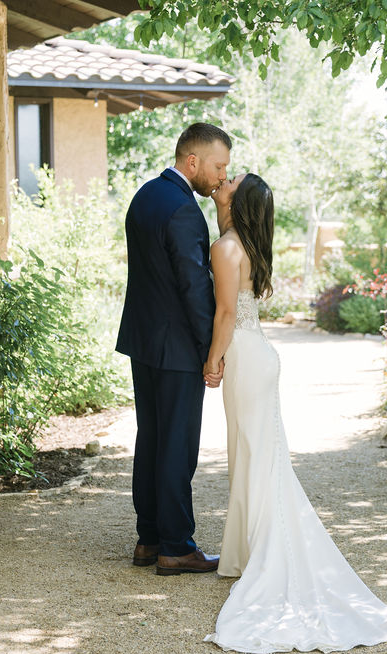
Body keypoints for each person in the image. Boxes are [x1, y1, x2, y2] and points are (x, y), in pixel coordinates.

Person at [202, 173, 387, 653]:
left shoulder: (225, 248)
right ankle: (245, 551)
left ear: (237, 203)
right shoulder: (248, 245)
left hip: (242, 356)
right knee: (257, 453)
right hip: (259, 355)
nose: (223, 178)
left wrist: (213, 359)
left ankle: (257, 554)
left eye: (229, 180)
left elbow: (224, 314)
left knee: (255, 454)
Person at [116, 123, 230, 576]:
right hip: (178, 349)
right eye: (219, 166)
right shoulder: (185, 210)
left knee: (152, 440)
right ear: (193, 162)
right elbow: (194, 291)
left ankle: (148, 538)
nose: (223, 176)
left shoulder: (145, 195)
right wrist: (212, 352)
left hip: (143, 343)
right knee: (177, 447)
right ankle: (177, 546)